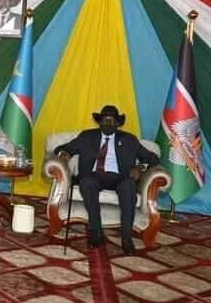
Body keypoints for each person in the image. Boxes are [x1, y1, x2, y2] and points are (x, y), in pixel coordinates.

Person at [54, 105, 160, 255]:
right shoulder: (87, 136)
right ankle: (96, 233)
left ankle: (126, 238)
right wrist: (64, 155)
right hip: (94, 175)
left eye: (112, 121)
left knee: (129, 187)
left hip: (121, 177)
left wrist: (140, 168)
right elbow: (62, 149)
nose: (108, 124)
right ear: (99, 122)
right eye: (105, 120)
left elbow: (153, 158)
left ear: (117, 123)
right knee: (87, 182)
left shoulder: (129, 139)